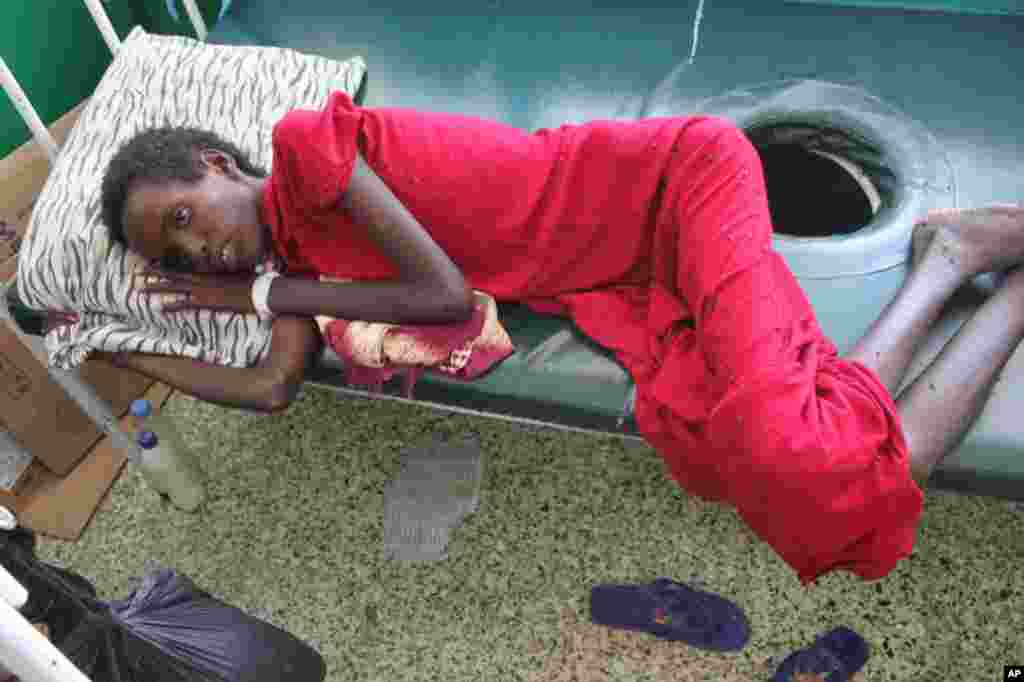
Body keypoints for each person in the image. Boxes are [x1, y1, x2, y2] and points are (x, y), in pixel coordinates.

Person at [92, 90, 1024, 584]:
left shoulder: (310, 147)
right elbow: (273, 389)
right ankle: (964, 270)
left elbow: (444, 295)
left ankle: (973, 278)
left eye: (181, 215)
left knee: (787, 454)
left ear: (217, 165)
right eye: (175, 254)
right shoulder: (284, 264)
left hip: (677, 184)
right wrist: (118, 344)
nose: (196, 247)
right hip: (621, 280)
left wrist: (260, 291)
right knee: (730, 456)